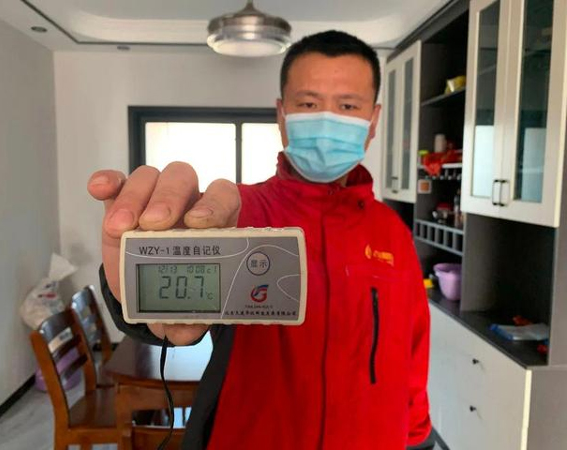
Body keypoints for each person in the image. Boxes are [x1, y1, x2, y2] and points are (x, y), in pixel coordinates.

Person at [88, 30, 432, 450]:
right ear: (282, 114)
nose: (327, 120)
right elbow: (168, 318)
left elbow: (413, 351)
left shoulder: (393, 232)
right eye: (308, 104)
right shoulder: (234, 215)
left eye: (347, 106)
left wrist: (418, 437)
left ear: (373, 120)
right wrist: (133, 292)